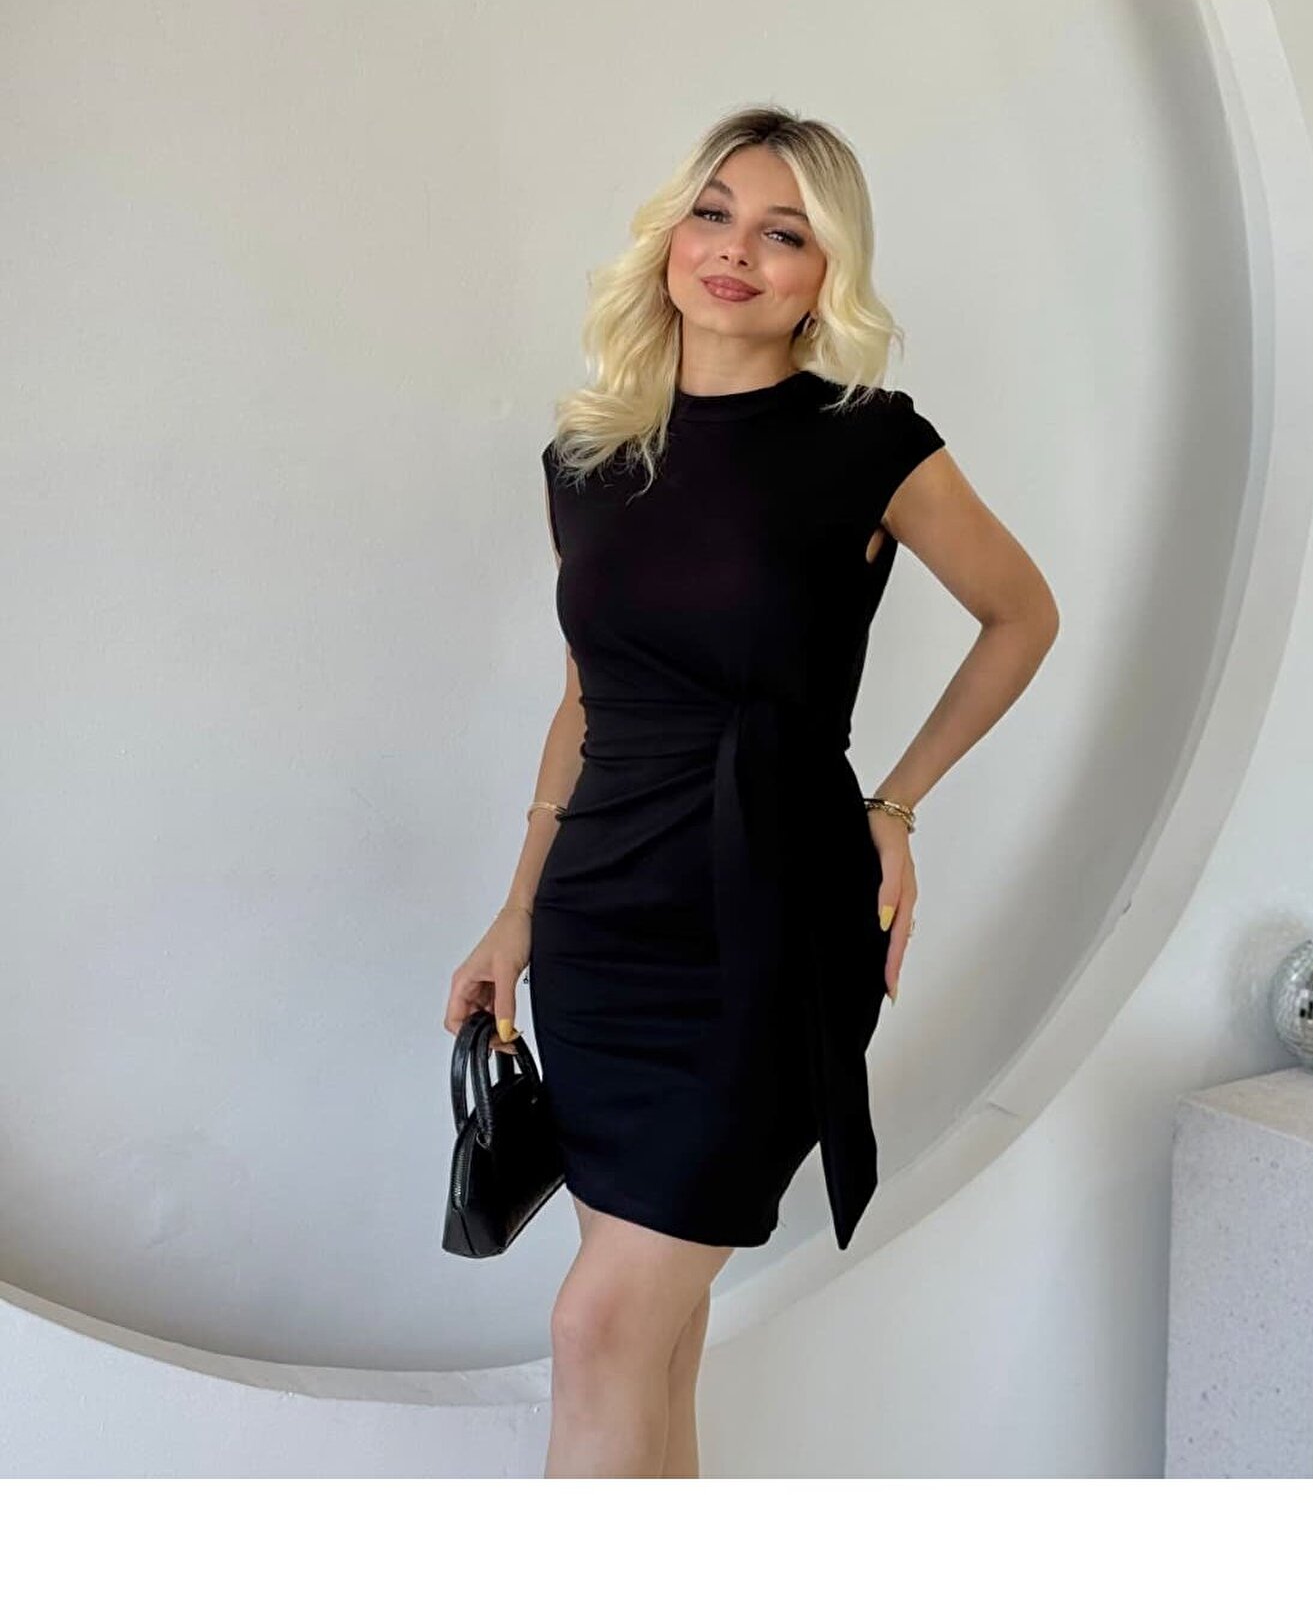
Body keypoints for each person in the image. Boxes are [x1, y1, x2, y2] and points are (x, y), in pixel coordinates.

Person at [444, 105, 1059, 1478]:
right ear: (670, 234)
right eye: (714, 213)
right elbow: (586, 699)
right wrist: (516, 910)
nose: (735, 251)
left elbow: (1022, 614)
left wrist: (895, 804)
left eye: (784, 233)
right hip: (603, 923)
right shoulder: (586, 461)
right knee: (652, 1342)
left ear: (826, 272)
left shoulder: (870, 442)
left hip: (767, 917)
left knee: (599, 1327)